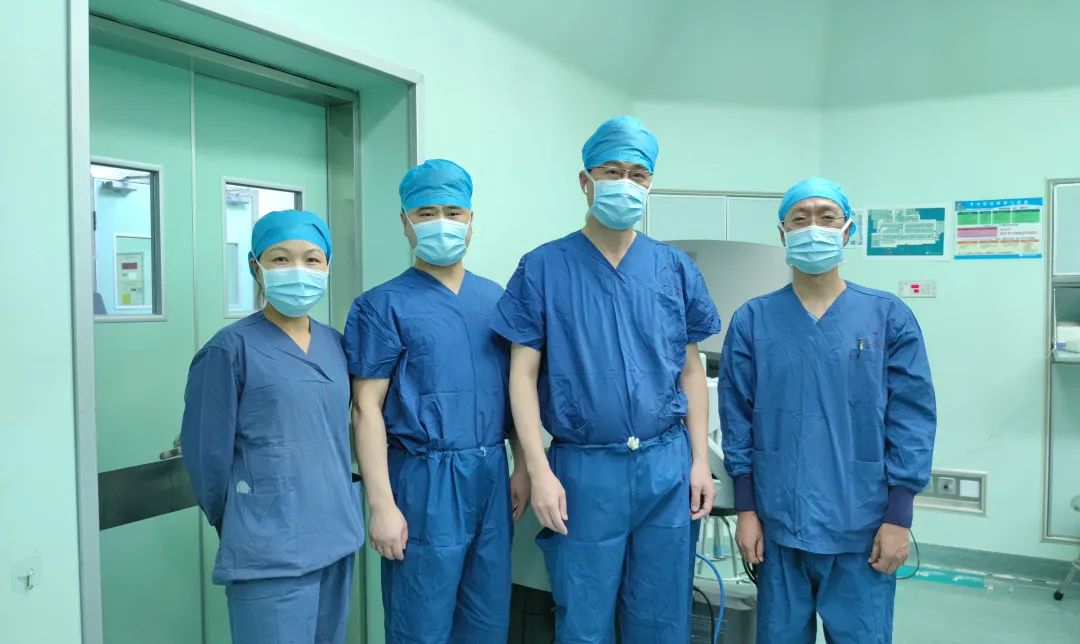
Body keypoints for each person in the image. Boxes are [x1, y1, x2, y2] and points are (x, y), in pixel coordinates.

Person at [491, 115, 721, 643]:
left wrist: (699, 461)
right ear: (585, 180)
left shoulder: (673, 268)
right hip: (584, 470)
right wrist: (539, 470)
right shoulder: (543, 267)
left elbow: (691, 369)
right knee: (584, 621)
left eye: (638, 175)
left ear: (650, 184)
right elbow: (522, 376)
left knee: (662, 619)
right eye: (612, 171)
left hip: (666, 467)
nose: (626, 183)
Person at [720, 177, 937, 643]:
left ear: (847, 230)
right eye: (800, 218)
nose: (813, 227)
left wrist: (899, 516)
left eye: (826, 216)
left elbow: (912, 419)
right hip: (780, 525)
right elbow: (737, 421)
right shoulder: (753, 320)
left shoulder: (887, 317)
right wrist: (746, 510)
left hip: (862, 527)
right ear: (783, 233)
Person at [345, 159, 529, 644]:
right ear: (405, 223)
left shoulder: (496, 300)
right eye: (426, 213)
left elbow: (514, 391)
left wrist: (523, 466)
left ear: (471, 220)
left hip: (491, 474)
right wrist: (381, 504)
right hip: (424, 483)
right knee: (421, 625)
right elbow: (365, 409)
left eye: (453, 211)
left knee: (487, 621)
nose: (441, 223)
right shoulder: (381, 306)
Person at [180, 209, 365, 644]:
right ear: (255, 266)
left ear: (327, 266)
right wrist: (248, 520)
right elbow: (207, 458)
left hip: (337, 536)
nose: (298, 269)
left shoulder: (335, 344)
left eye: (312, 259)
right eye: (280, 258)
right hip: (268, 547)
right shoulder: (229, 350)